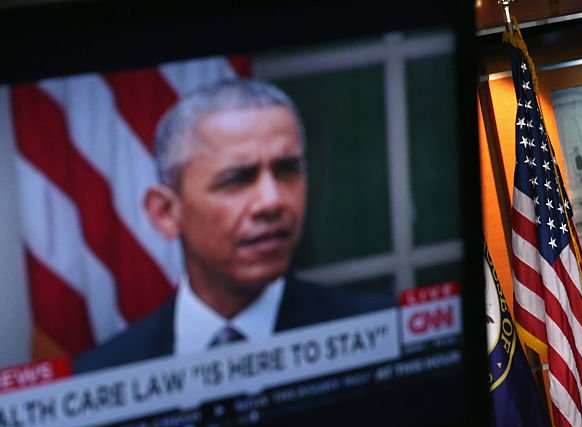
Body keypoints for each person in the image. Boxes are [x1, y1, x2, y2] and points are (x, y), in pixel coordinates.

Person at [74, 79, 386, 373]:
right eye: (237, 180)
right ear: (166, 212)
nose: (272, 201)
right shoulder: (103, 373)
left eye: (288, 170)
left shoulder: (382, 335)